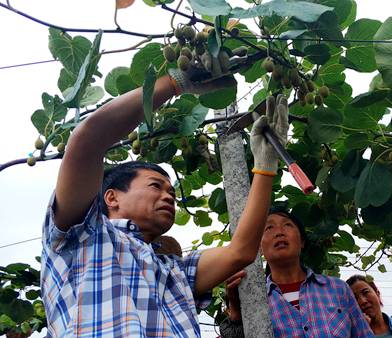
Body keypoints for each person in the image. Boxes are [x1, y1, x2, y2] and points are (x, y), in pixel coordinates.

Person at [40, 50, 290, 337]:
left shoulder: (175, 271)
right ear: (111, 197)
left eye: (171, 191)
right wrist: (176, 83)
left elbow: (241, 251)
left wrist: (265, 166)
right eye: (155, 186)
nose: (169, 196)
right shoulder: (82, 236)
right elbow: (88, 140)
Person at [220, 207, 374, 337]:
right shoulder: (254, 299)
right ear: (259, 247)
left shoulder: (338, 289)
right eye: (269, 228)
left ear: (302, 242)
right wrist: (236, 314)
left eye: (287, 225)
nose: (279, 232)